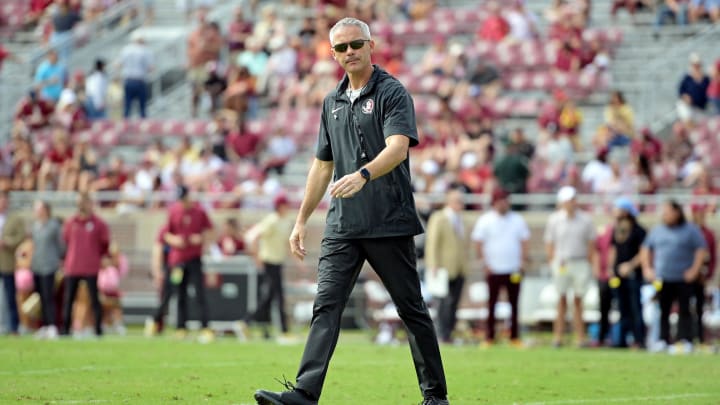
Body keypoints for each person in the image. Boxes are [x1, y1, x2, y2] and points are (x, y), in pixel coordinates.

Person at [253, 17, 449, 405]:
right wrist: (300, 220)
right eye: (341, 48)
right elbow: (322, 166)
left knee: (411, 309)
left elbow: (397, 148)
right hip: (343, 224)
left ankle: (435, 397)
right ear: (332, 54)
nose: (349, 53)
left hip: (388, 220)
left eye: (355, 44)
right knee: (326, 305)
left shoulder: (393, 93)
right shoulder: (332, 101)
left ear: (371, 45)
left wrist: (363, 173)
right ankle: (305, 394)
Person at [641, 200, 707, 352]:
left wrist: (694, 270)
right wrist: (647, 268)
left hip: (683, 277)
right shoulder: (657, 230)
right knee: (664, 310)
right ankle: (663, 340)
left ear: (677, 212)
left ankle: (685, 340)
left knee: (685, 309)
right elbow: (646, 249)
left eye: (667, 211)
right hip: (663, 277)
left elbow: (700, 250)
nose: (664, 215)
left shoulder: (690, 230)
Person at [472, 189, 530, 347]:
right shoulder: (485, 220)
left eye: (505, 200)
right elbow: (478, 243)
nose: (503, 204)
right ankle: (489, 337)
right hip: (494, 269)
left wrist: (522, 262)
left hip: (513, 269)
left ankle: (514, 337)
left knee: (514, 304)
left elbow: (524, 242)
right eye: (500, 201)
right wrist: (485, 263)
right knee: (491, 304)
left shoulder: (517, 220)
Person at [544, 186, 598, 347]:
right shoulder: (554, 219)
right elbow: (549, 242)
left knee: (578, 300)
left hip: (580, 261)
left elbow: (591, 244)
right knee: (560, 299)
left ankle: (580, 337)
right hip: (562, 262)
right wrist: (552, 260)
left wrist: (589, 261)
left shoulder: (586, 220)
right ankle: (558, 337)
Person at [161, 185, 214, 342]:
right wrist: (175, 240)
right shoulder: (173, 211)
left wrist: (200, 239)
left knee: (199, 293)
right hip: (177, 260)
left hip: (194, 258)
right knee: (180, 293)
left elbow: (210, 231)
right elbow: (166, 234)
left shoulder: (199, 212)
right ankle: (180, 327)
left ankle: (205, 327)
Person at [238, 195, 294, 340]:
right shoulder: (271, 220)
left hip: (278, 261)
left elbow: (285, 242)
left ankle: (247, 323)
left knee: (268, 297)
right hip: (269, 261)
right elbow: (255, 237)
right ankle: (284, 330)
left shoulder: (285, 221)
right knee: (277, 297)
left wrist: (298, 260)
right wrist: (257, 257)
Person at [61, 193, 110, 337]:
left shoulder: (98, 224)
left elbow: (104, 244)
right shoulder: (71, 223)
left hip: (91, 266)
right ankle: (66, 328)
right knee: (69, 299)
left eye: (85, 202)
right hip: (73, 266)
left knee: (94, 298)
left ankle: (98, 329)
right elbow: (65, 241)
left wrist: (98, 257)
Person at [425, 189, 469, 343]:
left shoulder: (460, 219)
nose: (460, 204)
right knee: (443, 303)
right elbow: (432, 243)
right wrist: (434, 264)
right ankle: (442, 333)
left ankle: (449, 333)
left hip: (459, 267)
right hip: (443, 268)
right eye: (457, 201)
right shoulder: (439, 217)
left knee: (454, 303)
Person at [608, 197, 647, 348]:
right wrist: (612, 268)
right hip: (619, 275)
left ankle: (639, 340)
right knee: (622, 308)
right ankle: (621, 340)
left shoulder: (639, 230)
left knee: (635, 307)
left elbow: (643, 253)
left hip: (633, 275)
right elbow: (613, 250)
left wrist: (630, 266)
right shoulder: (616, 229)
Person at [30, 200, 64, 339]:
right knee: (41, 298)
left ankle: (52, 325)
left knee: (49, 297)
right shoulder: (35, 227)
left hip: (49, 266)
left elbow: (61, 246)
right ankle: (43, 325)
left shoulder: (54, 226)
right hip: (37, 266)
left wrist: (59, 259)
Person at [0, 191, 26, 335]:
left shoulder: (14, 218)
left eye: (4, 199)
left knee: (10, 296)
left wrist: (7, 242)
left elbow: (21, 236)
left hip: (7, 261)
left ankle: (14, 327)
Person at [690, 203, 716, 344]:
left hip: (702, 276)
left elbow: (712, 257)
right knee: (685, 307)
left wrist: (708, 275)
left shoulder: (709, 234)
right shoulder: (687, 231)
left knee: (700, 308)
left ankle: (699, 337)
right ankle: (686, 337)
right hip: (687, 275)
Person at [117, 32, 153, 118]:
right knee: (142, 107)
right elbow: (151, 68)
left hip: (128, 80)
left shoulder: (126, 49)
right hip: (139, 80)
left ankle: (125, 126)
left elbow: (118, 64)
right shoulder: (145, 50)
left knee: (127, 106)